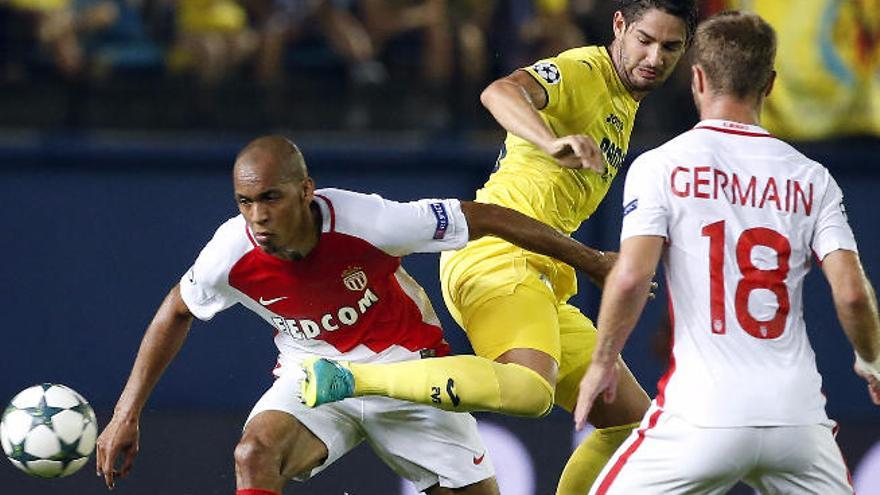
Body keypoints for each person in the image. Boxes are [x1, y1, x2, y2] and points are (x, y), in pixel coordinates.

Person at [300, 1, 699, 493]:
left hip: (543, 276)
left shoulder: (624, 100)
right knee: (530, 391)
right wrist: (550, 141)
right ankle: (354, 378)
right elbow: (500, 92)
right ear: (619, 25)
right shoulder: (585, 69)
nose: (655, 56)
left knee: (634, 428)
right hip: (495, 254)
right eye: (645, 40)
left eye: (670, 47)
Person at [95, 135, 622, 494]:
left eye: (271, 199)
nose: (258, 217)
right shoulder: (229, 253)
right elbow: (174, 312)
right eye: (245, 201)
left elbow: (483, 216)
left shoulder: (370, 221)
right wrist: (127, 412)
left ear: (306, 190)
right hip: (315, 379)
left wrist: (594, 260)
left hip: (407, 375)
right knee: (254, 452)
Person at [575, 11, 880, 494]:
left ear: (697, 78)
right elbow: (852, 294)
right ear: (770, 84)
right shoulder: (812, 178)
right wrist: (873, 362)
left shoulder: (660, 167)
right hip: (796, 424)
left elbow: (632, 278)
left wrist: (603, 362)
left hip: (700, 417)